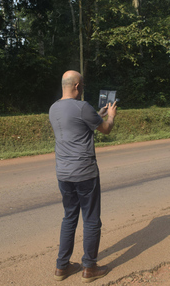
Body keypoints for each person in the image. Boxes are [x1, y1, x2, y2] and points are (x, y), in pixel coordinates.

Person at [49, 70, 117, 283]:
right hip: (85, 173)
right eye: (83, 85)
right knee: (91, 220)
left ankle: (62, 267)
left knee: (69, 217)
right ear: (77, 85)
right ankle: (89, 267)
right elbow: (105, 129)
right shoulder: (82, 107)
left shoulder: (53, 108)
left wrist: (99, 112)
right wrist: (111, 116)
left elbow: (79, 123)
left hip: (63, 173)